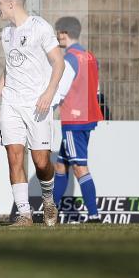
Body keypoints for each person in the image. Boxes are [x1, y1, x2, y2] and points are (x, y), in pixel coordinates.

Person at [0, 0, 65, 226]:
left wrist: (49, 93)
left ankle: (49, 200)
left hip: (37, 104)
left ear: (11, 4)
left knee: (41, 162)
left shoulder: (40, 27)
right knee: (14, 156)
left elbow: (58, 63)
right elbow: (10, 66)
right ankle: (24, 214)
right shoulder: (6, 33)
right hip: (11, 103)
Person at [52, 16, 104, 221]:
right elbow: (97, 88)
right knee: (60, 165)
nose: (57, 36)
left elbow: (62, 89)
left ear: (63, 33)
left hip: (74, 120)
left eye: (58, 33)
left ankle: (93, 215)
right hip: (87, 117)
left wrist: (48, 107)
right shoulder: (90, 56)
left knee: (80, 166)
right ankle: (52, 212)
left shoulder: (70, 59)